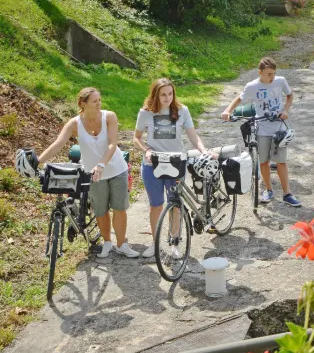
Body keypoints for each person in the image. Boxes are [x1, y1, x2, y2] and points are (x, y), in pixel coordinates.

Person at [35, 88, 139, 259]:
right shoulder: (75, 123)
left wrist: (100, 164)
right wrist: (38, 161)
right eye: (94, 101)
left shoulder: (109, 117)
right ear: (83, 104)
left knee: (119, 209)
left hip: (116, 169)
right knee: (101, 210)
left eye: (99, 100)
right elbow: (58, 143)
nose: (99, 103)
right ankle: (107, 242)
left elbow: (113, 144)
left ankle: (121, 245)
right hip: (93, 174)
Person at [133, 78, 212, 258]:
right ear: (155, 95)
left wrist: (203, 150)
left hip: (176, 163)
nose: (167, 98)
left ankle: (175, 241)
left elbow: (193, 135)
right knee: (155, 206)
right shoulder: (145, 113)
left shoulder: (182, 110)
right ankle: (155, 243)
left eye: (170, 93)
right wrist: (146, 149)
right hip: (152, 164)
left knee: (175, 204)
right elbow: (136, 138)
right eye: (163, 94)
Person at [221, 56, 301, 207]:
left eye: (274, 73)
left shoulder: (280, 81)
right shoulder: (252, 86)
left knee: (281, 161)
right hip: (262, 128)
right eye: (269, 74)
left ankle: (287, 194)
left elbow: (290, 95)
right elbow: (239, 98)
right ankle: (268, 190)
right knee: (263, 161)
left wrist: (285, 110)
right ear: (260, 72)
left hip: (279, 127)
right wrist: (227, 110)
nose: (272, 77)